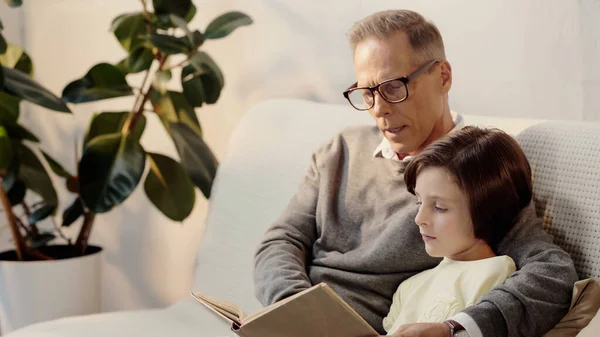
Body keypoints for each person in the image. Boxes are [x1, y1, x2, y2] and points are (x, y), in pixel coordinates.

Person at [253, 9, 578, 337]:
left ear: (443, 76)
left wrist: (455, 329)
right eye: (367, 93)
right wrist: (296, 310)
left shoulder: (477, 169)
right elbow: (281, 240)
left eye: (393, 87)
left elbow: (552, 273)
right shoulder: (339, 151)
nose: (379, 109)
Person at [383, 126, 531, 335]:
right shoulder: (409, 287)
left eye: (439, 207)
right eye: (419, 202)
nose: (419, 219)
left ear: (488, 210)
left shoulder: (495, 273)